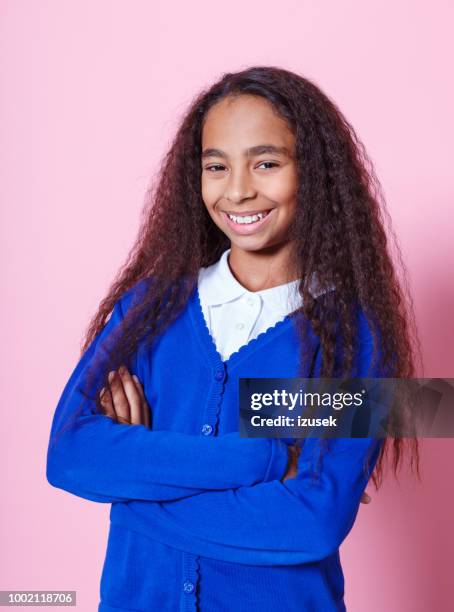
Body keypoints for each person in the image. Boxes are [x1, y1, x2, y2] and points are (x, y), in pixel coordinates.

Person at [46, 65, 421, 611]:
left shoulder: (349, 337)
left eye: (267, 163)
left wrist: (132, 488)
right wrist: (263, 462)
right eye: (216, 166)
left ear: (312, 174)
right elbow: (71, 455)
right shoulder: (147, 310)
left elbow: (309, 522)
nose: (239, 190)